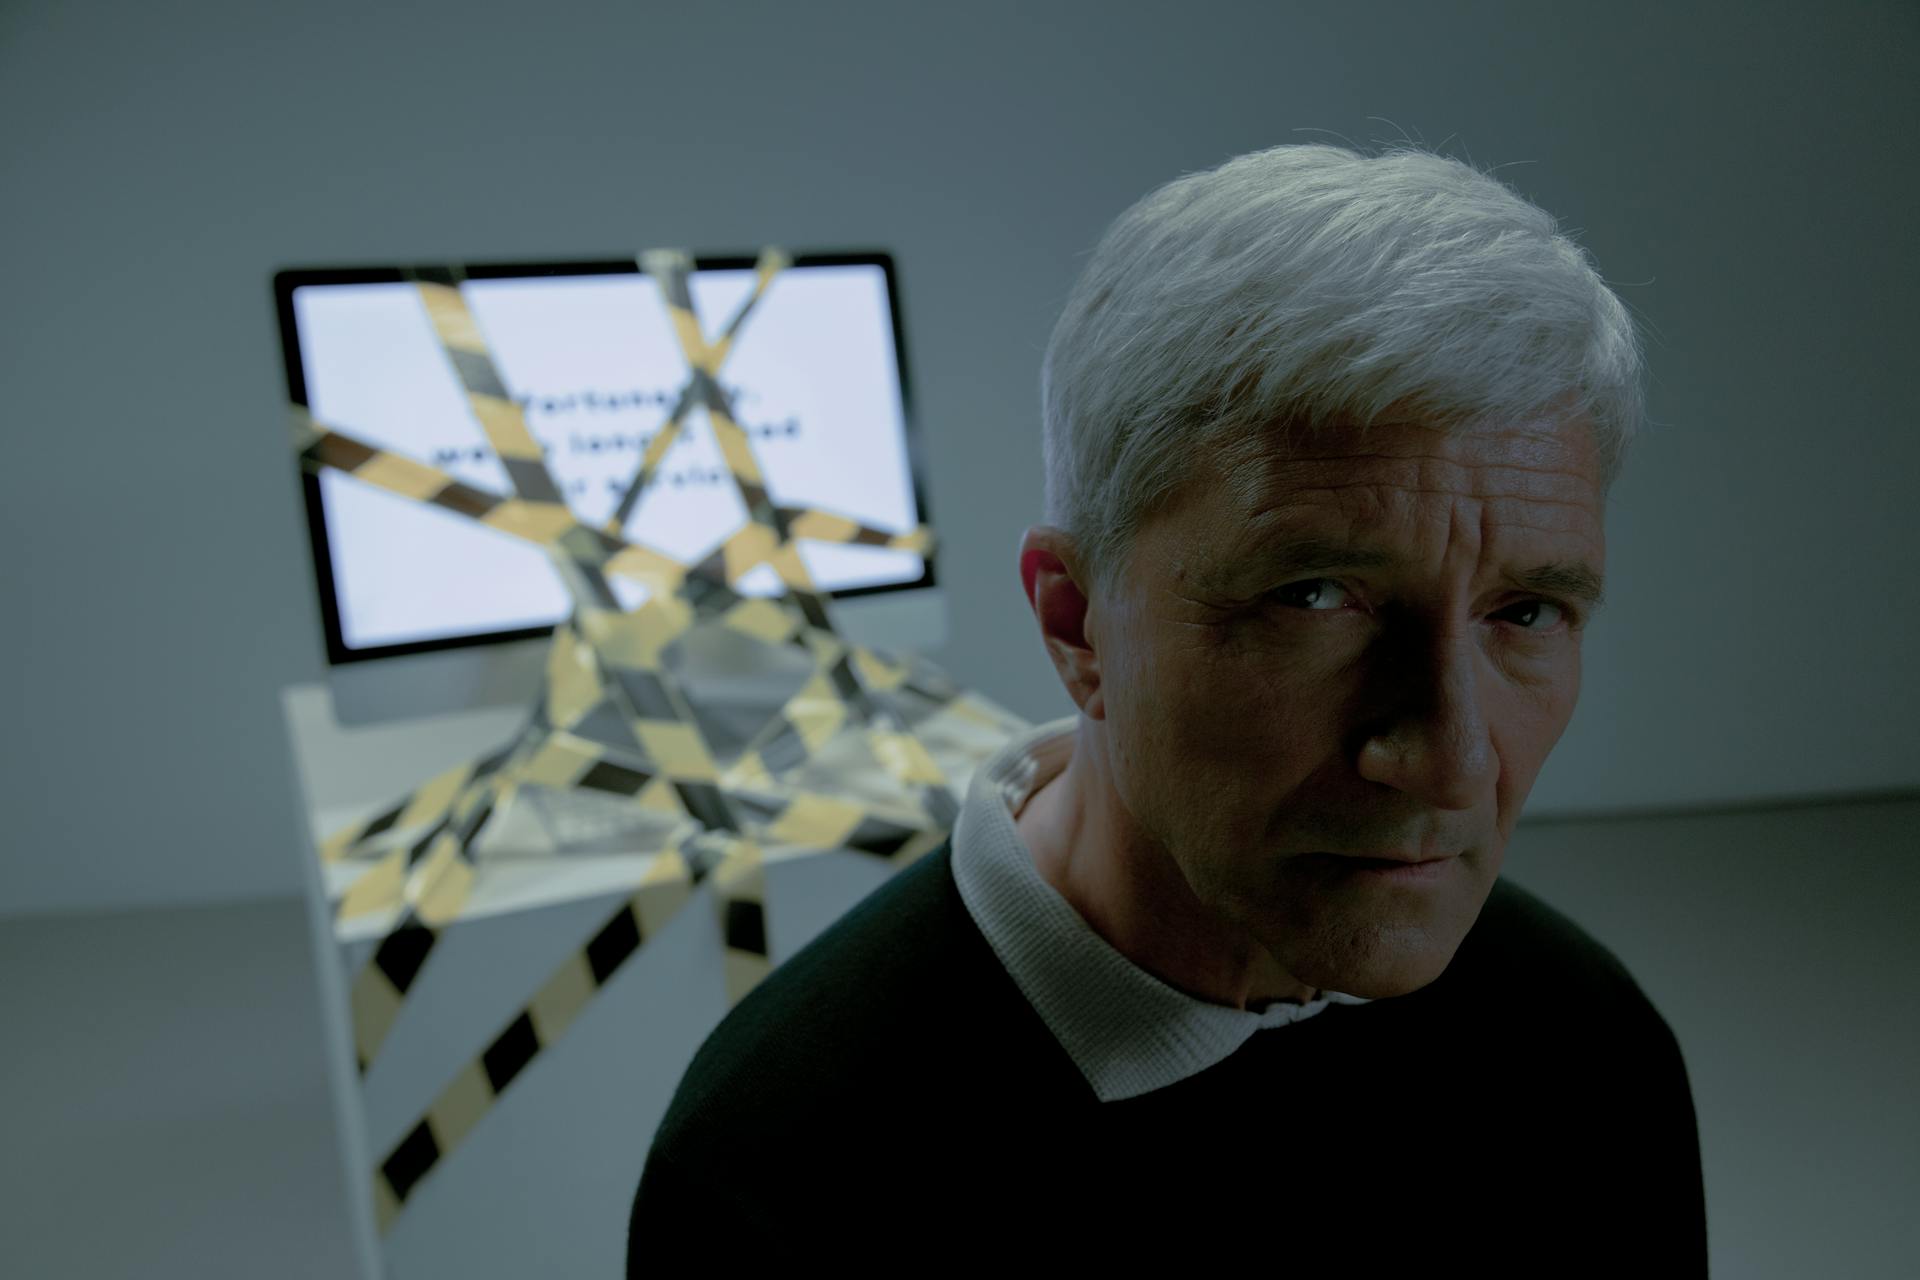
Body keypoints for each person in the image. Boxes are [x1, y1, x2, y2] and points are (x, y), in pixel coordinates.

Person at [627, 142, 1707, 1268]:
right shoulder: (779, 1173)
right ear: (1076, 622)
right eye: (1315, 597)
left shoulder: (1586, 1042)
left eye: (1525, 611)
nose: (1448, 758)